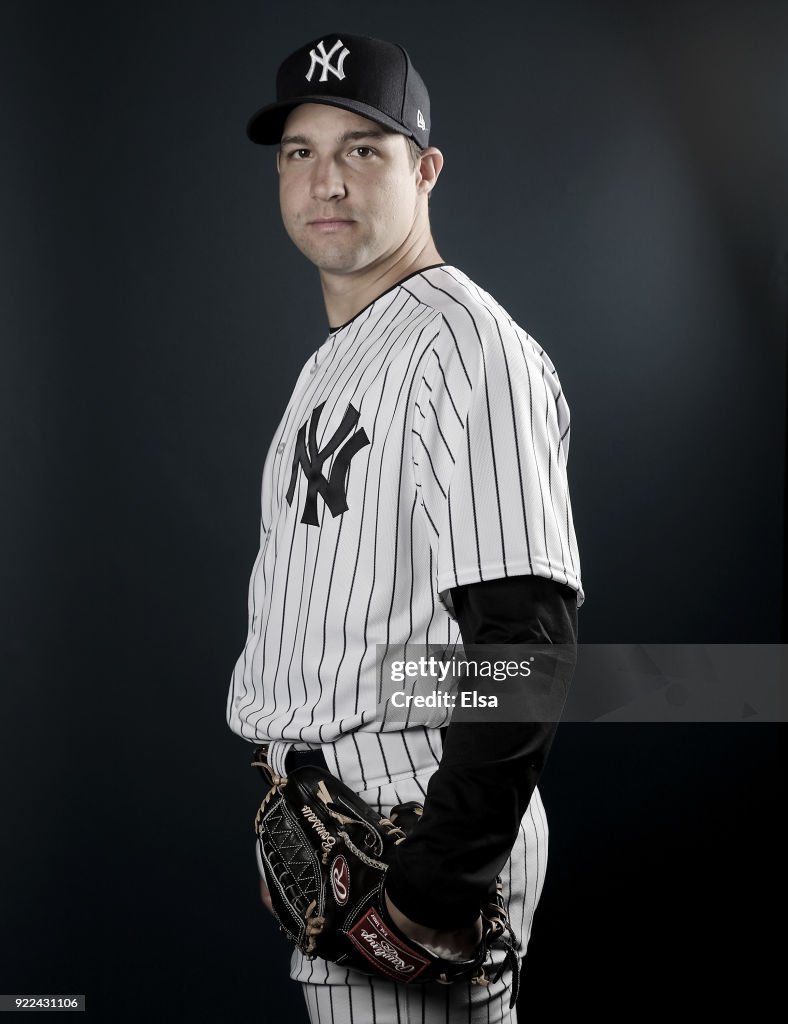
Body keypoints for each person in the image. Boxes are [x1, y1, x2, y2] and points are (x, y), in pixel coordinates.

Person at [227, 32, 584, 1024]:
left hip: (412, 822)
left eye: (362, 150)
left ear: (423, 171)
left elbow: (526, 650)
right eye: (300, 152)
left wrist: (430, 892)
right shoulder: (335, 361)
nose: (325, 180)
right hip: (338, 812)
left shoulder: (462, 343)